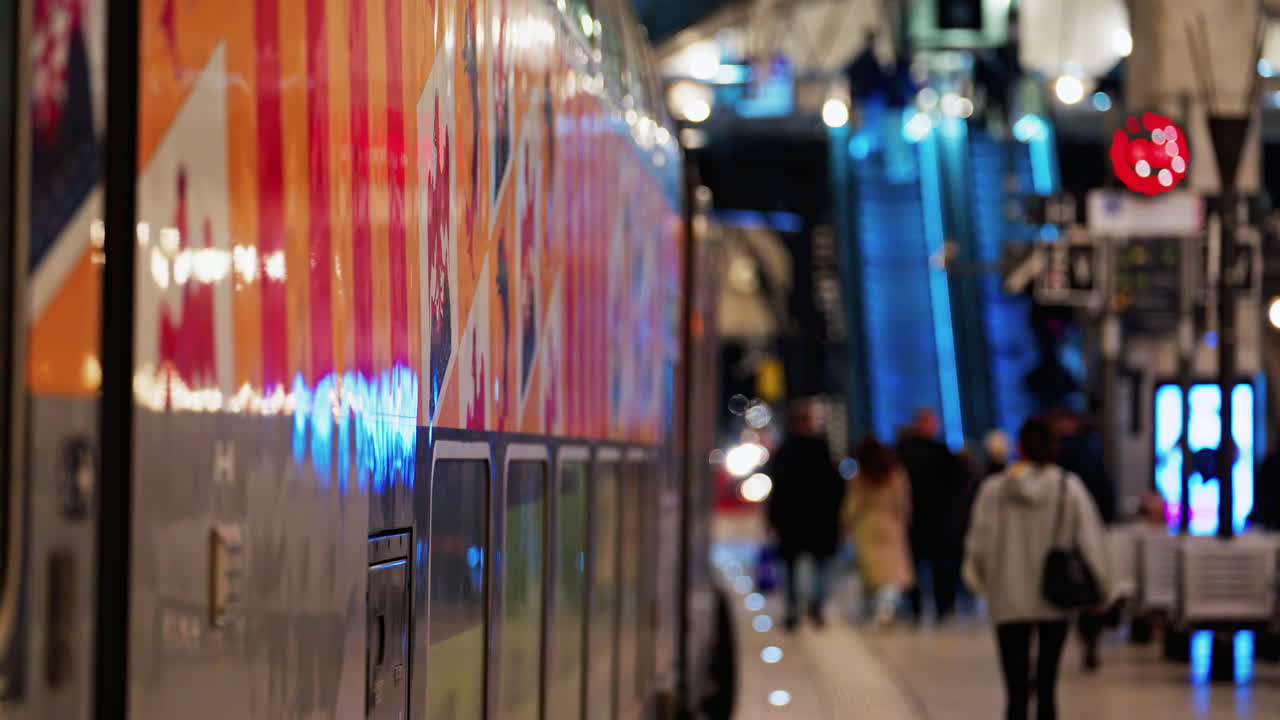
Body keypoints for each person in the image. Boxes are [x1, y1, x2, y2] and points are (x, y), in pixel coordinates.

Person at [964, 416, 1111, 720]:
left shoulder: (994, 490)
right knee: (1047, 686)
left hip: (1006, 595)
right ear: (1053, 448)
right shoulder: (1068, 487)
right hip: (1054, 596)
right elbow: (1090, 540)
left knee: (1015, 690)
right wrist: (1102, 588)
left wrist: (981, 583)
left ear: (1020, 447)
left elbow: (978, 543)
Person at [765, 399, 846, 630]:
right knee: (819, 564)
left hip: (793, 519)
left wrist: (772, 519)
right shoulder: (823, 451)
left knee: (792, 567)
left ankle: (794, 609)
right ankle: (814, 606)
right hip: (819, 519)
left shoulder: (785, 452)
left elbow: (777, 489)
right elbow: (835, 487)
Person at [1051, 408, 1116, 670]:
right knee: (1090, 587)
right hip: (1090, 530)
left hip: (1058, 535)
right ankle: (1090, 637)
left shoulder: (1057, 459)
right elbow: (1105, 491)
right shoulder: (1091, 455)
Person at [897, 408, 966, 622]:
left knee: (939, 567)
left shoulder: (940, 451)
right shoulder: (907, 452)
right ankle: (918, 608)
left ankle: (942, 607)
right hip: (917, 519)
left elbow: (957, 484)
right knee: (916, 567)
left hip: (937, 520)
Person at [844, 437, 913, 626]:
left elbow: (854, 503)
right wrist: (903, 520)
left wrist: (846, 522)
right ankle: (887, 607)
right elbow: (902, 501)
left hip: (868, 524)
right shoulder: (895, 473)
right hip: (890, 523)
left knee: (873, 571)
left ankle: (877, 608)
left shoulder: (861, 475)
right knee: (892, 571)